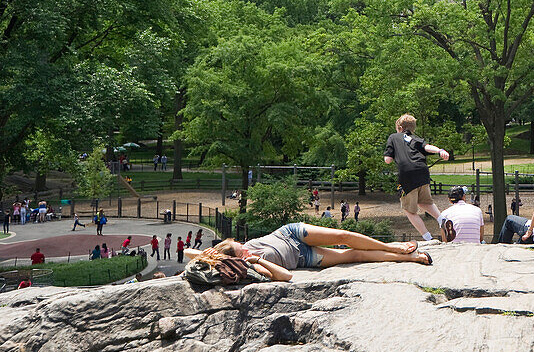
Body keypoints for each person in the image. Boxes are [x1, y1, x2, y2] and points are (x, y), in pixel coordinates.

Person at [185, 224, 432, 281]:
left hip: (289, 234)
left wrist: (209, 254)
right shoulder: (250, 264)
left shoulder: (224, 255)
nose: (246, 248)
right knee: (351, 255)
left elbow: (188, 252)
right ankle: (408, 257)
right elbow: (286, 277)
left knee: (343, 236)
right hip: (303, 258)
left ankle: (392, 247)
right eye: (243, 250)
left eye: (243, 244)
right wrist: (256, 260)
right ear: (238, 258)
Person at [383, 113, 450, 241]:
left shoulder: (393, 137)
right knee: (424, 202)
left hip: (407, 175)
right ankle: (442, 219)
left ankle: (428, 238)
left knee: (409, 210)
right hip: (422, 171)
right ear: (412, 128)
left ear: (400, 127)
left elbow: (388, 159)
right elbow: (427, 147)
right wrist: (440, 151)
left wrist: (389, 156)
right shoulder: (415, 138)